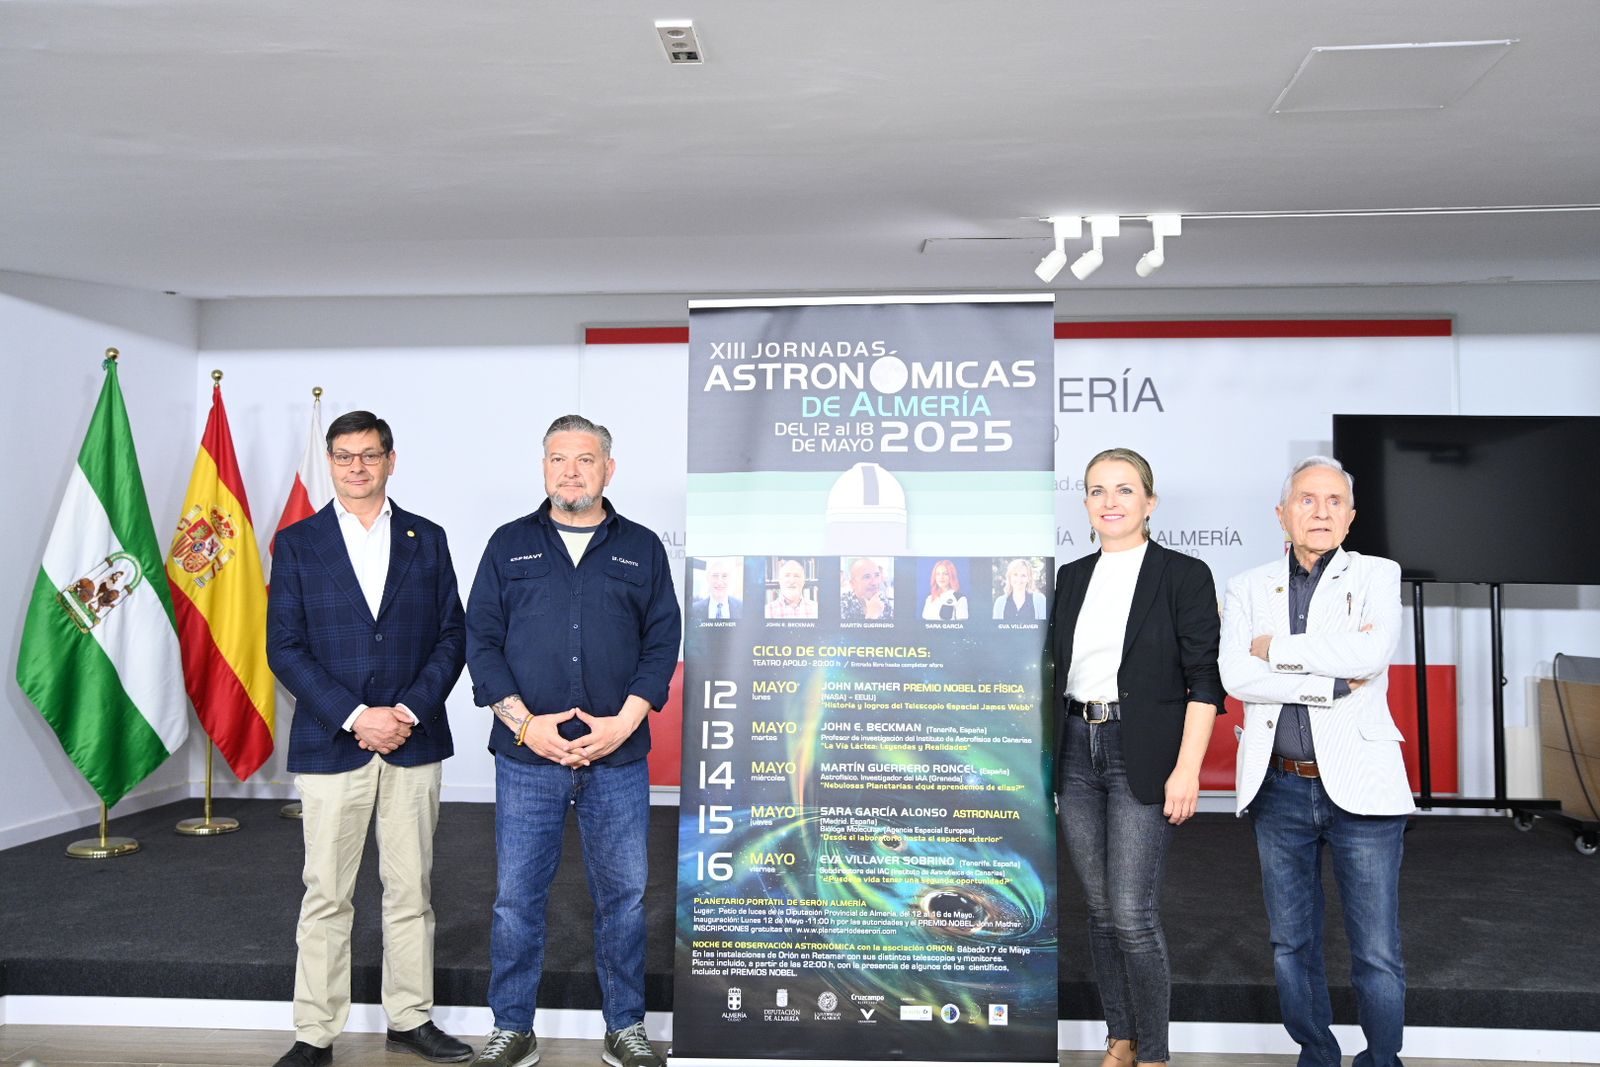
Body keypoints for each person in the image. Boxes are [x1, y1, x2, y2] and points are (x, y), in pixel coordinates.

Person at [465, 414, 680, 1067]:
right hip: (528, 757)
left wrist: (624, 722)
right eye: (558, 458)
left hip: (617, 756)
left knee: (623, 897)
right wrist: (527, 725)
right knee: (516, 898)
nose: (570, 471)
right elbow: (482, 642)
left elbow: (660, 643)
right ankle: (512, 1026)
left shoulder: (641, 547)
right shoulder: (509, 545)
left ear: (608, 468)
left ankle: (625, 1026)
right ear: (544, 467)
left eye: (584, 459)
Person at [266, 411, 470, 1067]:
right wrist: (357, 715)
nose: (357, 466)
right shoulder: (297, 544)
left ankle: (409, 1018)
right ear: (330, 461)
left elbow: (451, 637)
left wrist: (406, 708)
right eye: (345, 456)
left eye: (369, 455)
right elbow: (285, 650)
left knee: (410, 888)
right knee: (327, 891)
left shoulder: (427, 538)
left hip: (413, 738)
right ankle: (315, 1032)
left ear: (390, 458)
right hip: (334, 742)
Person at [1219, 455, 1411, 1067]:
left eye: (1334, 502)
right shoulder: (1247, 585)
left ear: (1351, 518)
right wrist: (1325, 683)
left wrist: (1278, 648)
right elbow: (1237, 677)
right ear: (1283, 513)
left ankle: (1381, 1060)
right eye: (1307, 500)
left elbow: (1370, 653)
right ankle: (1317, 1055)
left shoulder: (1379, 573)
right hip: (1279, 788)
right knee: (1289, 943)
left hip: (1363, 785)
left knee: (1376, 948)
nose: (1320, 512)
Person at [1049, 447, 1222, 1067]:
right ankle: (1119, 1037)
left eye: (1125, 490)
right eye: (1097, 491)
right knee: (1098, 910)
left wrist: (1188, 768)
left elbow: (1205, 681)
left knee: (1131, 913)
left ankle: (1154, 1052)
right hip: (1074, 748)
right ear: (1086, 504)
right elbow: (1050, 675)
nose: (1111, 501)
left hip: (1141, 753)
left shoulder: (1183, 575)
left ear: (1150, 502)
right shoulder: (1069, 577)